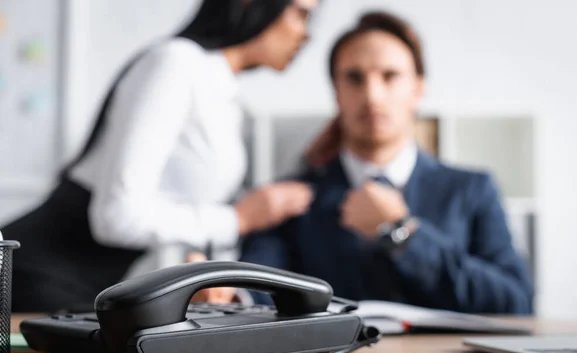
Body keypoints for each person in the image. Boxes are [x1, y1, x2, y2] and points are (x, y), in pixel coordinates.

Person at [197, 11, 533, 314]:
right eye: (355, 78)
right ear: (337, 92)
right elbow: (260, 288)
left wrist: (401, 233)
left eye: (390, 76)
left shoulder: (472, 189)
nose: (372, 95)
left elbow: (515, 301)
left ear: (418, 88)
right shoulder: (291, 200)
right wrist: (225, 294)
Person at [2, 0, 320, 312]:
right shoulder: (176, 64)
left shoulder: (220, 87)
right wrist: (238, 219)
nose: (307, 35)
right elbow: (114, 217)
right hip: (29, 278)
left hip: (72, 284)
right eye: (301, 14)